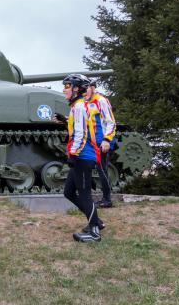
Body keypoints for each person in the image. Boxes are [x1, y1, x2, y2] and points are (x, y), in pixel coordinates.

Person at [60, 74, 103, 242]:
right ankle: (96, 222)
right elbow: (77, 129)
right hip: (81, 154)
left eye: (68, 86)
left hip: (83, 156)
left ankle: (94, 233)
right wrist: (65, 121)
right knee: (69, 192)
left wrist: (73, 153)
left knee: (84, 194)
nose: (64, 89)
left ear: (77, 88)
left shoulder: (78, 107)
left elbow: (81, 134)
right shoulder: (77, 106)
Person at [85, 80, 117, 208]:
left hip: (101, 141)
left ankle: (107, 199)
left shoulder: (101, 101)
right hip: (91, 141)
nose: (84, 91)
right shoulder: (87, 102)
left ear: (92, 88)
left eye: (86, 88)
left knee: (102, 170)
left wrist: (107, 140)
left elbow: (111, 122)